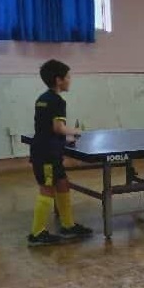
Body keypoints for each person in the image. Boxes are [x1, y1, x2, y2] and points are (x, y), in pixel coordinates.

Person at [28, 60, 93, 245]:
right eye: (68, 77)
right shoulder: (58, 101)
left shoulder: (42, 99)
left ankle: (68, 225)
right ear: (59, 80)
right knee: (47, 189)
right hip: (47, 154)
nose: (70, 80)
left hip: (45, 149)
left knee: (63, 184)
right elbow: (58, 127)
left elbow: (47, 128)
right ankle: (37, 233)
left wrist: (64, 140)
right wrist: (76, 131)